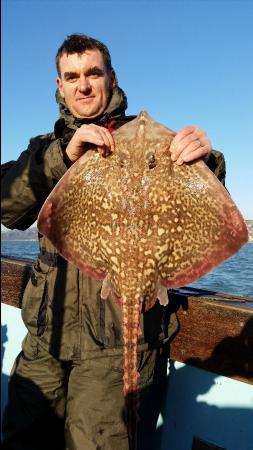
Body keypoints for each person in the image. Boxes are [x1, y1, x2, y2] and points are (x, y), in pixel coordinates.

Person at [1, 34, 226, 450]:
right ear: (59, 86)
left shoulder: (156, 144)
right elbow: (7, 207)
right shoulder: (44, 150)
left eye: (93, 73)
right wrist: (61, 158)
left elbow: (204, 213)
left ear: (111, 77)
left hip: (116, 344)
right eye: (72, 76)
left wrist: (208, 162)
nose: (83, 85)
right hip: (45, 340)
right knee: (22, 440)